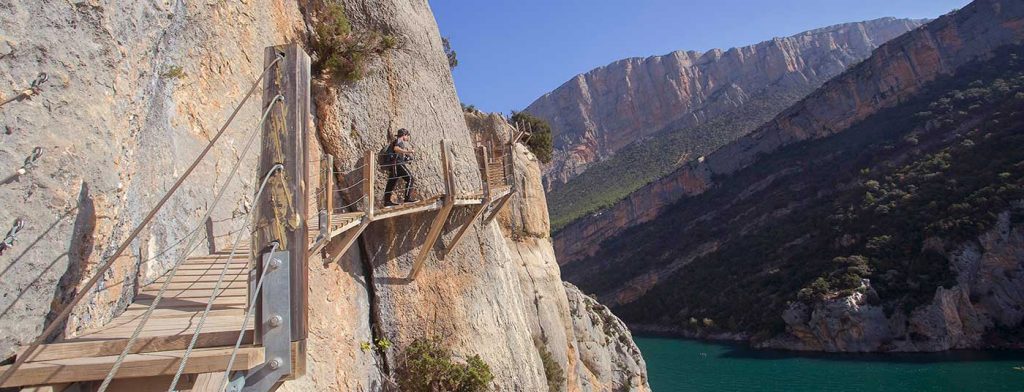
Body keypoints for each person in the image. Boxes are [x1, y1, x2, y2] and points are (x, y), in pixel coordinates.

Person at [383, 128, 417, 206]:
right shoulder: (399, 141)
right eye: (407, 135)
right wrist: (408, 151)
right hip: (397, 164)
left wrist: (406, 158)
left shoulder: (397, 142)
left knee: (391, 183)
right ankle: (407, 199)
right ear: (404, 135)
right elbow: (396, 149)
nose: (408, 138)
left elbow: (397, 153)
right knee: (410, 178)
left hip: (393, 165)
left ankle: (387, 202)